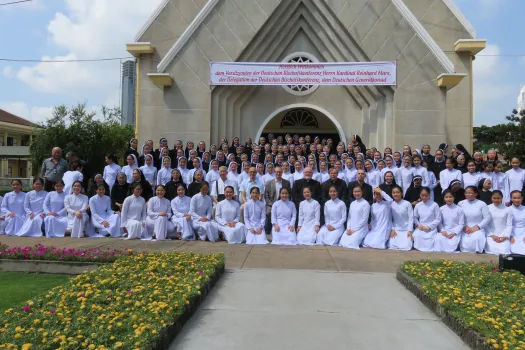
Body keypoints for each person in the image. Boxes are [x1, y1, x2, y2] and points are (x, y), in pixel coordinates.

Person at [458, 186, 490, 253]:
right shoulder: (460, 203)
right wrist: (464, 226)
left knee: (476, 238)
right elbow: (457, 217)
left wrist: (478, 227)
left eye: (470, 193)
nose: (468, 194)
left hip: (478, 228)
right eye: (466, 193)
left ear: (476, 194)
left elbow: (487, 218)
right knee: (461, 238)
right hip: (464, 228)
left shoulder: (482, 204)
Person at [412, 187, 441, 252]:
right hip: (421, 227)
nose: (424, 197)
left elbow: (438, 218)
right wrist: (418, 224)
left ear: (429, 195)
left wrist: (429, 227)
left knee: (430, 238)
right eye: (422, 195)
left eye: (426, 195)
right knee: (416, 235)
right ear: (420, 195)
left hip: (431, 228)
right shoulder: (418, 205)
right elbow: (414, 217)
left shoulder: (434, 205)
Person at [485, 190, 512, 255]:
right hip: (491, 235)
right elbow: (485, 224)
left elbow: (509, 225)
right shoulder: (487, 208)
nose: (496, 200)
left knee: (505, 248)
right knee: (490, 247)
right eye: (494, 198)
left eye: (498, 198)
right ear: (491, 198)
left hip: (503, 234)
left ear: (502, 198)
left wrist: (505, 236)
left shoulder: (507, 209)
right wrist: (492, 235)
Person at [388, 185, 414, 251]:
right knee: (392, 245)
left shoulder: (407, 203)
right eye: (393, 193)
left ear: (401, 193)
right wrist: (393, 229)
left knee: (407, 246)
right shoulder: (391, 204)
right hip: (396, 229)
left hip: (406, 229)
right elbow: (390, 219)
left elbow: (411, 218)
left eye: (397, 192)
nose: (395, 194)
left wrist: (410, 230)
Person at [510, 190, 525, 255]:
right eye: (514, 198)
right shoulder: (508, 209)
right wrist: (510, 236)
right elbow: (506, 225)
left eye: (519, 198)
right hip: (511, 231)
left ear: (522, 198)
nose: (517, 200)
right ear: (511, 198)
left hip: (523, 231)